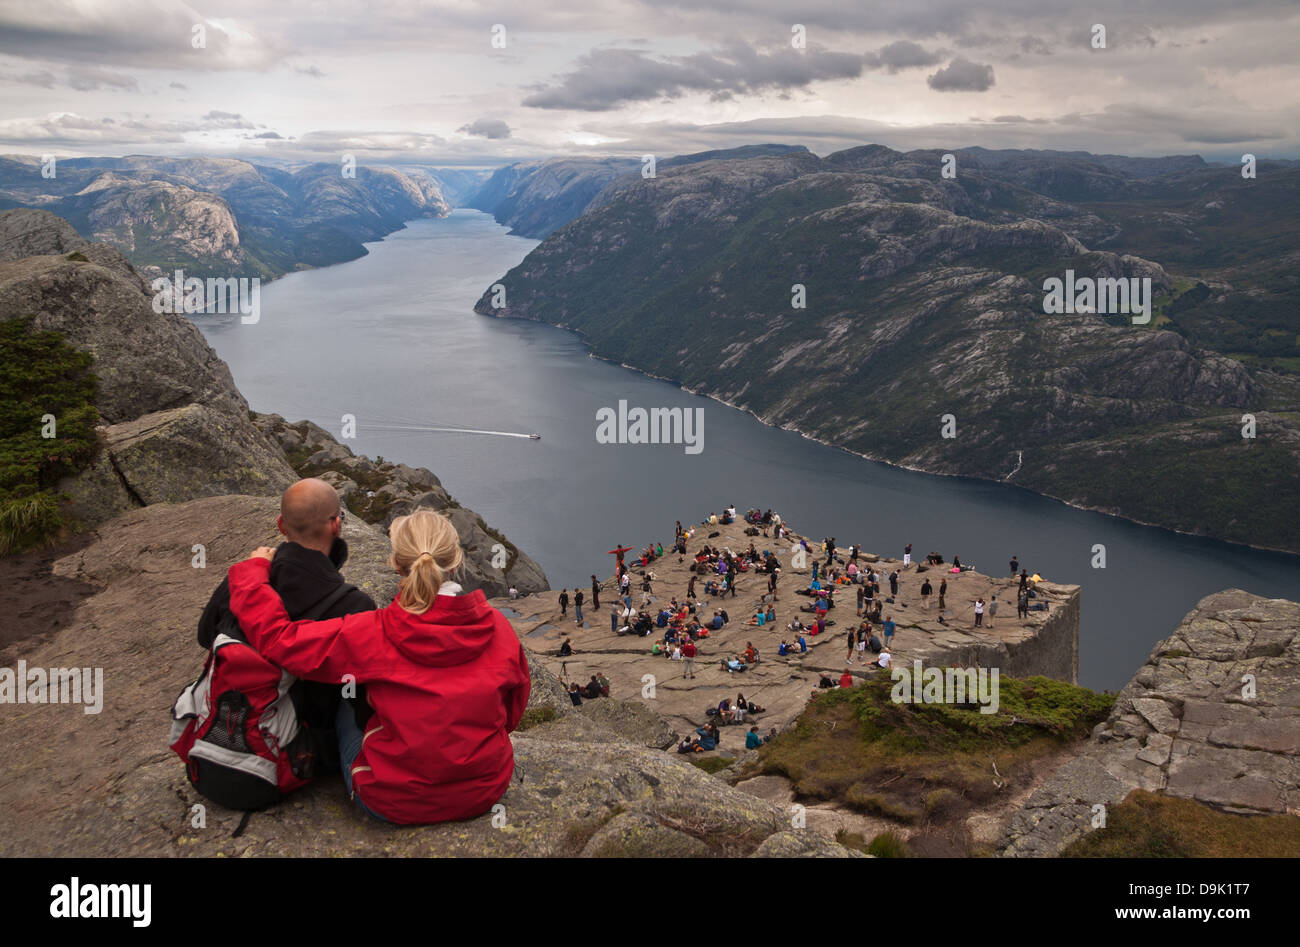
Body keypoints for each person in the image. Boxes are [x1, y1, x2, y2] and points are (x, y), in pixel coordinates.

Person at [226, 509, 530, 825]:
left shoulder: (373, 632)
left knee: (345, 696)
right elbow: (512, 710)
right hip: (485, 790)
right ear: (455, 562)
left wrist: (253, 573)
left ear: (397, 565)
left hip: (393, 801)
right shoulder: (498, 628)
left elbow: (281, 641)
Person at [197, 478, 378, 781]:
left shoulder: (249, 579)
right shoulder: (355, 604)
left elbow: (206, 636)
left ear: (281, 525)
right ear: (336, 525)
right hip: (303, 749)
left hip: (236, 730)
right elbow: (361, 699)